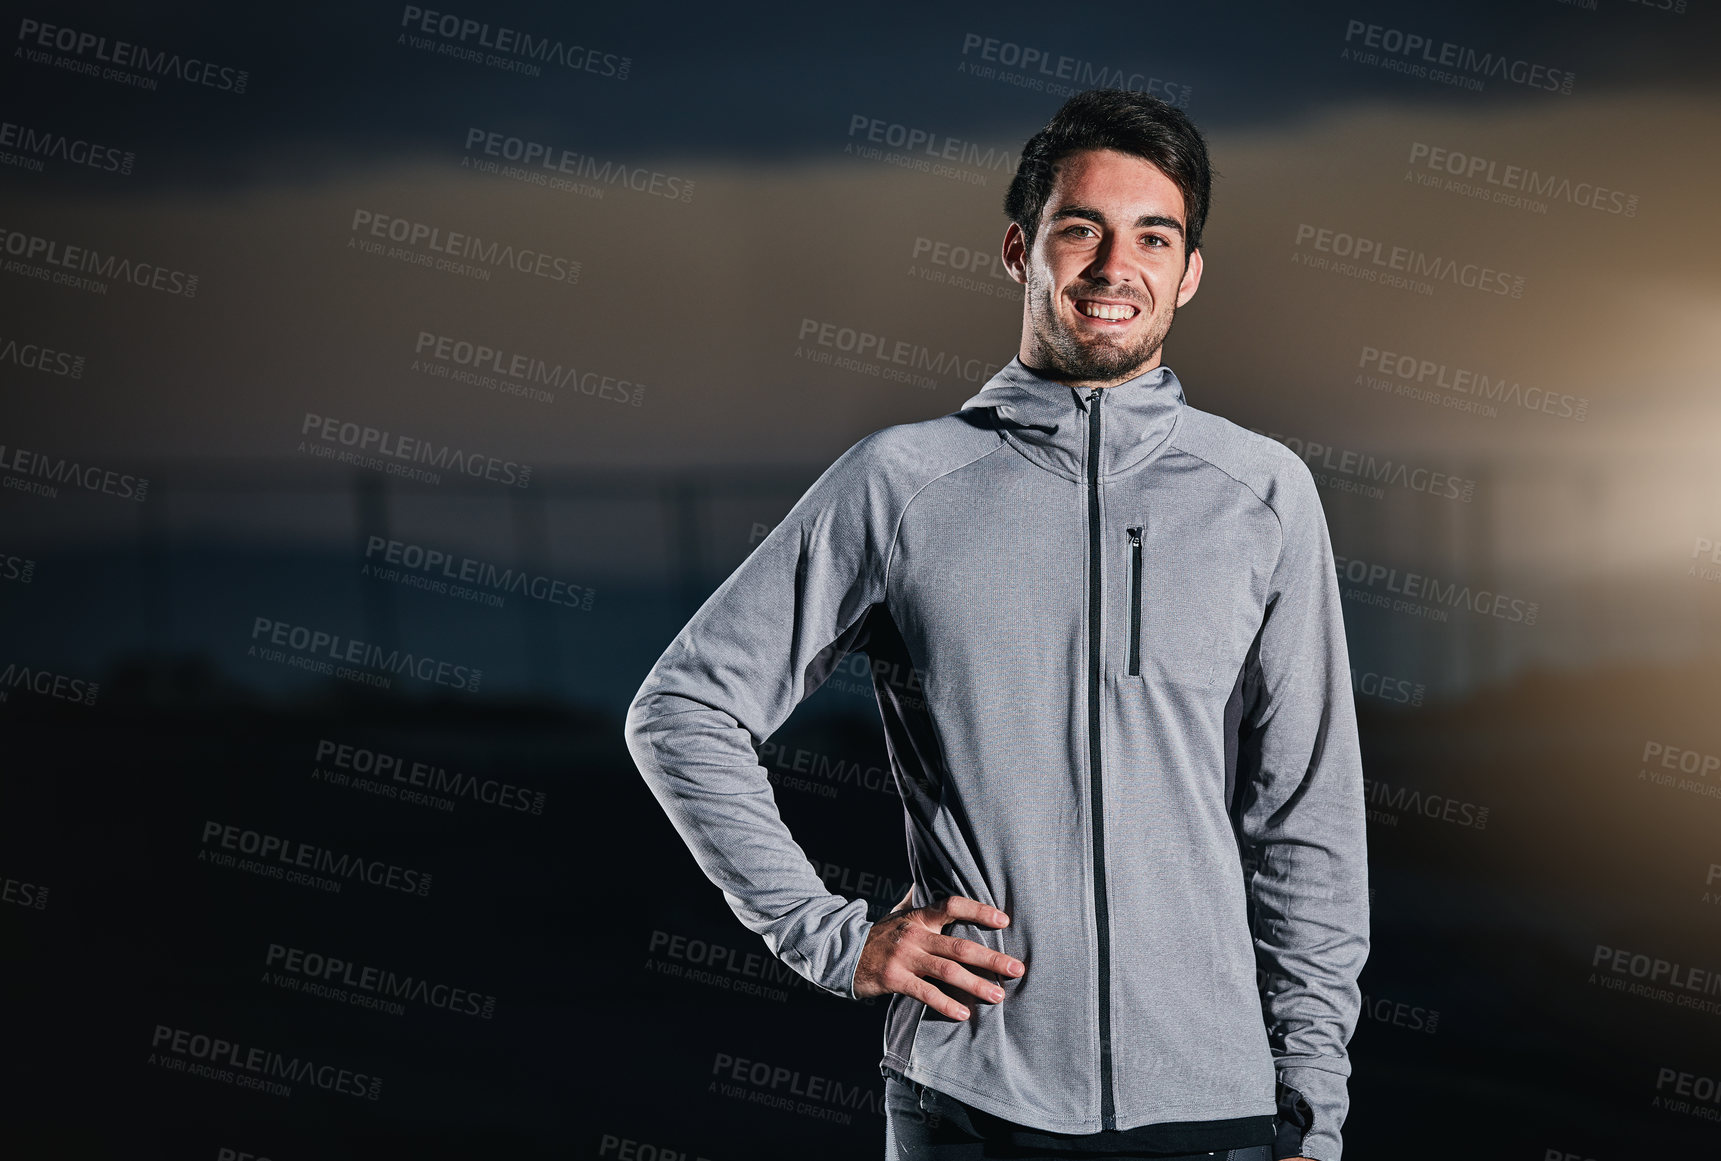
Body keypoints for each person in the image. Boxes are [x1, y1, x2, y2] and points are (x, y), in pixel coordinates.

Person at [624, 88, 1368, 1161]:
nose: (1117, 266)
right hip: (969, 1103)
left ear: (1188, 272)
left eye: (1152, 236)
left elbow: (1305, 817)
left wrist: (1313, 1106)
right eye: (1082, 229)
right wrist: (830, 939)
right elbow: (683, 710)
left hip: (1212, 1109)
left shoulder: (1261, 493)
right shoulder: (902, 481)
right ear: (1020, 250)